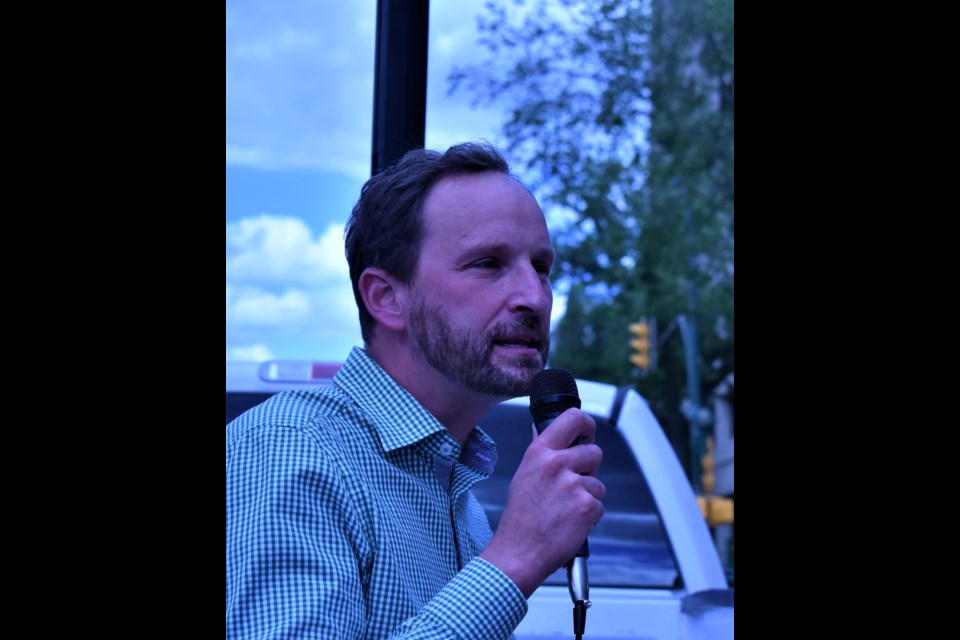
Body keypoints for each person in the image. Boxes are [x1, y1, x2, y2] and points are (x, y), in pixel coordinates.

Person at [226, 141, 605, 639]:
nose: (535, 297)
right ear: (386, 298)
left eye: (541, 267)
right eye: (488, 263)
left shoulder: (460, 496)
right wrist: (515, 559)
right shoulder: (292, 451)